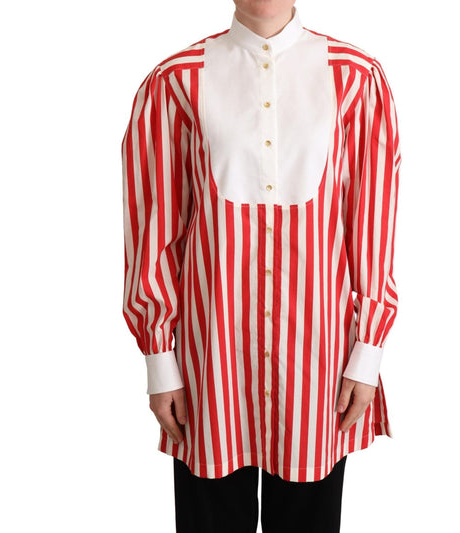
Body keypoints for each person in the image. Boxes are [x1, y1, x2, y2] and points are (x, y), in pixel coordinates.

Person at [121, 1, 401, 531]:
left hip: (318, 364)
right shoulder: (175, 80)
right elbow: (152, 230)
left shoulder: (356, 77)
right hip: (211, 363)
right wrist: (159, 359)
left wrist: (368, 353)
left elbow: (371, 223)